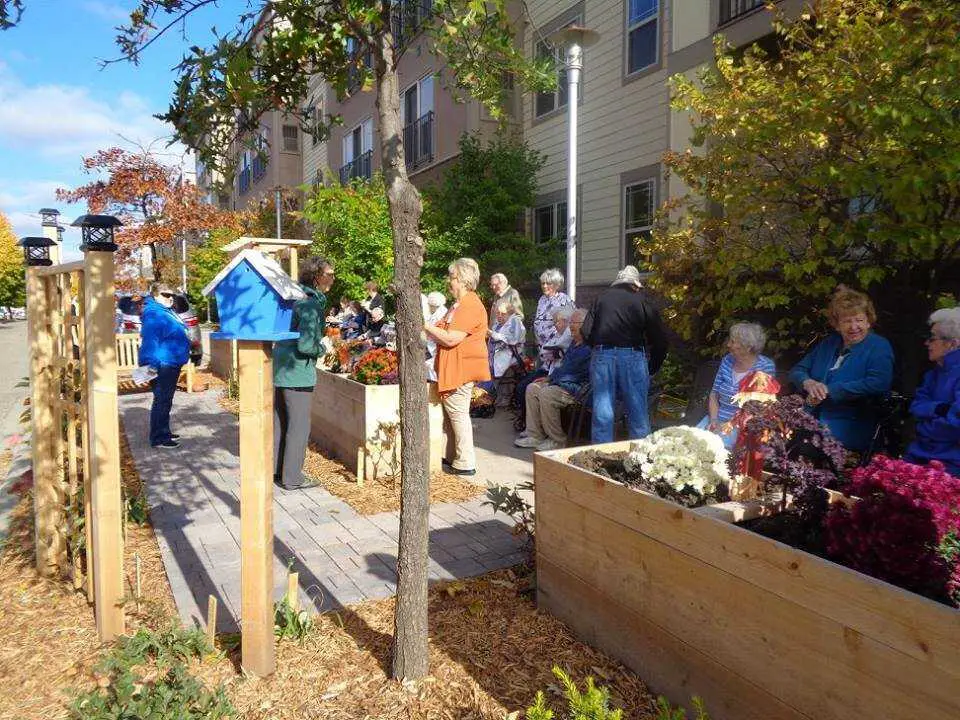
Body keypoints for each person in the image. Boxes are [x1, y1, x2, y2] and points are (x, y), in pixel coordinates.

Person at [789, 286, 894, 452]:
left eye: (859, 320)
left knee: (802, 448)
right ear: (837, 325)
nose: (854, 327)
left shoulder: (879, 346)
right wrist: (808, 382)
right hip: (810, 419)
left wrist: (829, 390)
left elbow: (878, 383)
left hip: (852, 423)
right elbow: (797, 370)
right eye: (847, 321)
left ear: (868, 321)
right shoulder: (829, 343)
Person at [273, 256, 335, 490]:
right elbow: (306, 346)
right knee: (299, 426)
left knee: (281, 422)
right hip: (297, 372)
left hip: (281, 368)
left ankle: (278, 471)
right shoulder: (309, 303)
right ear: (317, 276)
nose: (332, 278)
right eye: (329, 274)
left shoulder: (294, 296)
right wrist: (324, 347)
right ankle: (292, 478)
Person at [586, 265, 668, 443]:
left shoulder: (600, 299)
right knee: (637, 411)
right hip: (632, 358)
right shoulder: (642, 301)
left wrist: (599, 348)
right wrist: (653, 365)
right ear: (635, 285)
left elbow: (586, 331)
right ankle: (640, 461)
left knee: (602, 412)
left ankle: (598, 460)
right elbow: (660, 339)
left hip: (602, 358)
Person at [424, 258, 490, 476]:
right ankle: (454, 458)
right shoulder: (458, 305)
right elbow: (440, 330)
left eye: (451, 278)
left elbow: (451, 338)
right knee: (453, 416)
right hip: (453, 367)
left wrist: (423, 325)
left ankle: (465, 463)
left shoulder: (470, 304)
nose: (448, 282)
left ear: (462, 280)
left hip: (461, 369)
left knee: (458, 414)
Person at [515, 308, 591, 451]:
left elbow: (571, 373)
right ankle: (535, 435)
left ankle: (557, 440)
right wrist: (548, 378)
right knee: (532, 388)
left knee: (547, 394)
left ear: (585, 324)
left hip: (576, 388)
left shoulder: (587, 347)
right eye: (570, 322)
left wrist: (550, 380)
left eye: (574, 323)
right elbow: (563, 368)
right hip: (564, 383)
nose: (571, 326)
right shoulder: (575, 343)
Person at [697, 322, 776, 449]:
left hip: (742, 427)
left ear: (748, 347)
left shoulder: (764, 367)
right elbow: (714, 394)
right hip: (716, 418)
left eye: (733, 342)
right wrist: (713, 420)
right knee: (691, 444)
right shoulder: (727, 360)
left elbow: (759, 408)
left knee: (715, 452)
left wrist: (729, 426)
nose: (728, 345)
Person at [904, 307, 960, 476]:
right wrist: (938, 408)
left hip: (951, 462)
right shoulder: (933, 373)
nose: (926, 343)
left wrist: (924, 427)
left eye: (932, 338)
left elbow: (955, 425)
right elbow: (916, 406)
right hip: (918, 453)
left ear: (953, 343)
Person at [139, 283, 191, 449]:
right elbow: (150, 341)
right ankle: (158, 438)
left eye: (171, 295)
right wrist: (151, 365)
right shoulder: (154, 314)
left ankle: (164, 430)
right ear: (155, 295)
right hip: (163, 364)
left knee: (165, 400)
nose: (170, 298)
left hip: (171, 362)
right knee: (161, 401)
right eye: (165, 295)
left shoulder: (165, 311)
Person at [533, 268, 573, 373]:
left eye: (548, 283)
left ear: (556, 284)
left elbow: (571, 323)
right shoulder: (542, 300)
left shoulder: (564, 299)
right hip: (541, 347)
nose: (545, 286)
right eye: (543, 283)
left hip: (555, 350)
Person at [488, 299, 526, 379]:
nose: (499, 316)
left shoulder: (515, 322)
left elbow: (513, 339)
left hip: (510, 356)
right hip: (495, 356)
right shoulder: (497, 324)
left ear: (510, 314)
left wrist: (493, 334)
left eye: (503, 314)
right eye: (498, 313)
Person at [424, 291, 448, 382]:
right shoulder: (434, 314)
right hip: (431, 346)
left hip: (436, 347)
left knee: (434, 371)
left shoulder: (441, 314)